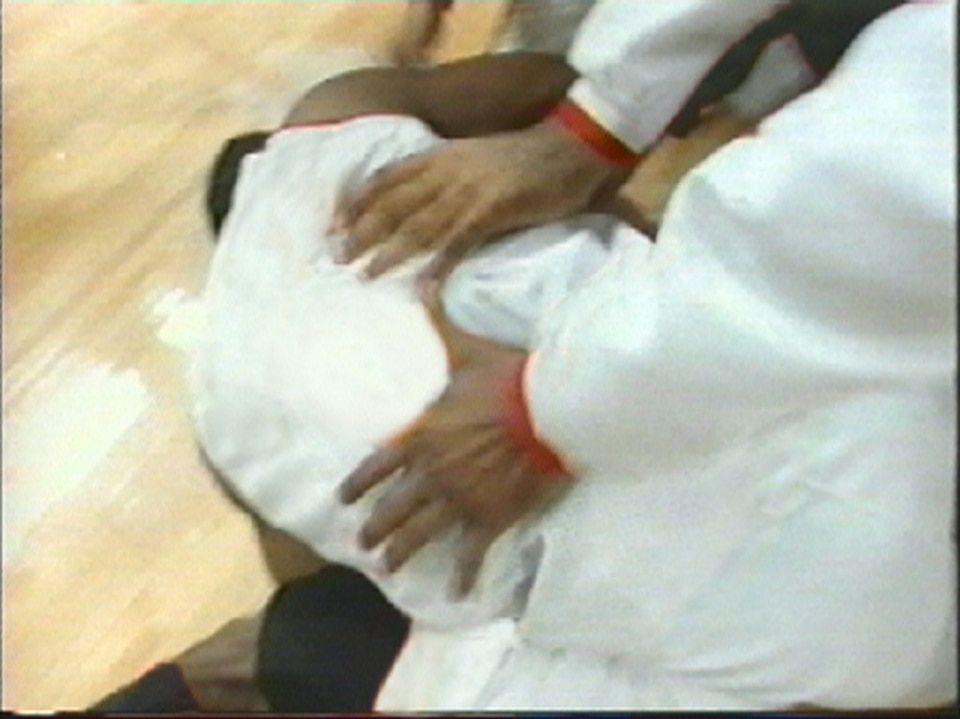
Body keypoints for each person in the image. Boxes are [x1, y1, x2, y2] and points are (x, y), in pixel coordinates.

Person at [93, 0, 954, 713]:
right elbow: (551, 89)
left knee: (333, 627)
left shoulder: (225, 415)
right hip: (816, 499)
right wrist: (586, 138)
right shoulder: (341, 118)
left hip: (778, 614)